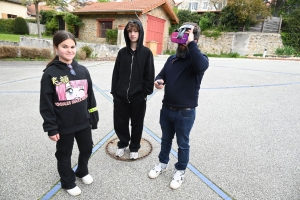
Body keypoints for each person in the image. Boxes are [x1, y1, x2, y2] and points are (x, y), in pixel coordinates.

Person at [148, 22, 209, 189]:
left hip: (185, 113)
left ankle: (180, 171)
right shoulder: (172, 58)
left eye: (186, 36)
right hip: (167, 109)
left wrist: (191, 42)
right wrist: (159, 81)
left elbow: (201, 66)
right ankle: (162, 164)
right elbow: (162, 74)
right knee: (165, 140)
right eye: (181, 35)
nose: (181, 41)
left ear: (194, 39)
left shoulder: (199, 60)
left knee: (183, 144)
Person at [39, 30, 99, 196]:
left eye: (72, 46)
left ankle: (82, 171)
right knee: (64, 154)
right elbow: (45, 104)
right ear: (56, 48)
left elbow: (90, 96)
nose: (69, 50)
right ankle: (67, 181)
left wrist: (93, 115)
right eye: (64, 46)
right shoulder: (50, 74)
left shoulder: (83, 71)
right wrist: (51, 127)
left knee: (87, 148)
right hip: (63, 125)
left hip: (83, 121)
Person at [111, 19, 155, 160]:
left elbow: (150, 74)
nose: (132, 34)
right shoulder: (122, 53)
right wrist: (115, 91)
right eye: (130, 31)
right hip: (121, 96)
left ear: (140, 32)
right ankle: (123, 143)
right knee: (120, 122)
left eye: (135, 31)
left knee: (137, 123)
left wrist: (145, 93)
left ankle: (134, 147)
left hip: (138, 96)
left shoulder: (146, 53)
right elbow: (116, 73)